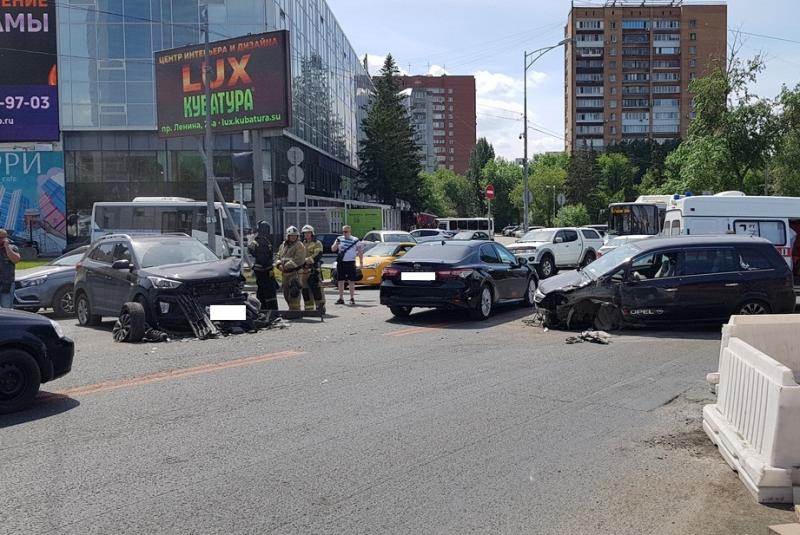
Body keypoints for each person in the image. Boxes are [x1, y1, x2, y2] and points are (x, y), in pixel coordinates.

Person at [247, 220, 278, 311]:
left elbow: (253, 252)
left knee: (261, 291)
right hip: (265, 271)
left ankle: (263, 310)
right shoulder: (262, 242)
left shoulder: (258, 241)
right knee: (269, 292)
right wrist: (269, 268)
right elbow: (263, 259)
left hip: (260, 271)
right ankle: (272, 312)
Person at [275, 226, 306, 311]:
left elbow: (298, 259)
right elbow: (278, 256)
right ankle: (291, 309)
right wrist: (278, 265)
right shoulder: (283, 245)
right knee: (286, 293)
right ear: (287, 236)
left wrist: (285, 266)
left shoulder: (299, 245)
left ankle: (295, 311)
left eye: (295, 235)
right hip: (285, 273)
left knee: (294, 292)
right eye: (291, 235)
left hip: (295, 273)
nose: (293, 237)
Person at [331, 225, 363, 305]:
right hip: (341, 262)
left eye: (346, 231)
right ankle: (341, 298)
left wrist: (361, 262)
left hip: (351, 262)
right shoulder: (339, 239)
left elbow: (360, 252)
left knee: (351, 280)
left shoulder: (355, 240)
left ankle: (352, 298)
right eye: (343, 231)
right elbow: (333, 249)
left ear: (350, 231)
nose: (344, 233)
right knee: (340, 280)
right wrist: (336, 243)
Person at [299, 225, 326, 314]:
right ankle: (308, 308)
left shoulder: (317, 243)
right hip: (303, 271)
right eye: (305, 233)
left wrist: (306, 261)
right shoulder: (301, 243)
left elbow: (318, 255)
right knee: (305, 289)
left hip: (314, 269)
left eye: (308, 232)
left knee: (317, 289)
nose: (307, 234)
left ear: (312, 233)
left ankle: (320, 307)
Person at [0, 228, 21, 309]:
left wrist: (7, 247)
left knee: (6, 308)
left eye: (2, 238)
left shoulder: (12, 248)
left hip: (7, 283)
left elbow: (16, 260)